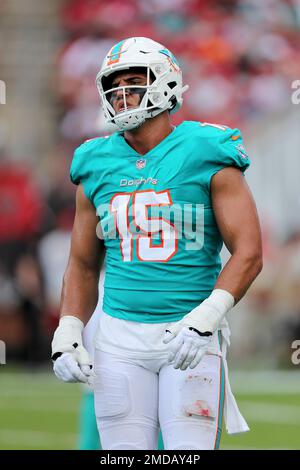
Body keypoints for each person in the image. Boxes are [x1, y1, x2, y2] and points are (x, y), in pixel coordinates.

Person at [51, 37, 263, 450]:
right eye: (114, 84)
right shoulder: (94, 160)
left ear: (166, 83)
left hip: (189, 334)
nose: (122, 93)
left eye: (133, 80)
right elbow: (82, 263)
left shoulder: (207, 149)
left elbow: (249, 252)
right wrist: (70, 326)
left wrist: (209, 315)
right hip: (117, 337)